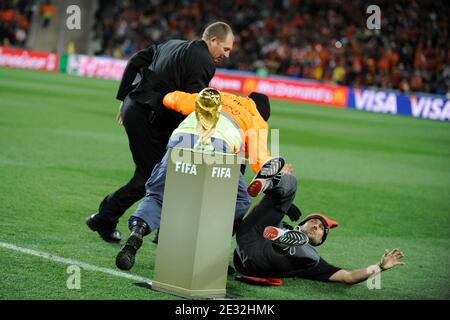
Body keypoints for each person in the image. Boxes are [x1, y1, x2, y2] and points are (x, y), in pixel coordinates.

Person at [86, 22, 234, 243]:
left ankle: (148, 225)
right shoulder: (204, 62)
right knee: (151, 176)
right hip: (147, 116)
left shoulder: (173, 44)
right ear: (213, 41)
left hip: (138, 107)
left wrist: (123, 98)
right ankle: (105, 217)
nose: (227, 55)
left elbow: (136, 61)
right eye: (226, 49)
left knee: (164, 172)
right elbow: (193, 104)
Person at [114, 87, 288, 271]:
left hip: (181, 139)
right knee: (240, 199)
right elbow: (261, 161)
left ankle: (138, 229)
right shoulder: (256, 117)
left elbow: (173, 99)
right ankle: (207, 248)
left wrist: (166, 97)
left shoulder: (218, 96)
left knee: (159, 194)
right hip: (218, 146)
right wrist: (280, 174)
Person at [233, 162, 406, 285]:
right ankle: (272, 182)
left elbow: (348, 277)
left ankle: (282, 246)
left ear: (321, 241)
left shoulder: (311, 260)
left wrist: (380, 267)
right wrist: (278, 194)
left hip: (260, 263)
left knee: (311, 257)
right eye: (313, 222)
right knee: (292, 182)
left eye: (321, 228)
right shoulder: (280, 224)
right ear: (300, 225)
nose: (316, 226)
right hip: (250, 238)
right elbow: (255, 215)